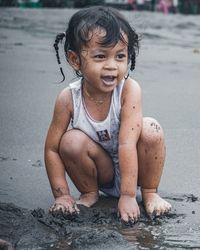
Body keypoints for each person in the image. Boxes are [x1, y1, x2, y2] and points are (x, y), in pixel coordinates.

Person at [44, 6, 171, 223]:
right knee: (70, 141)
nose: (112, 66)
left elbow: (127, 144)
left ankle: (150, 192)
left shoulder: (129, 90)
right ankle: (89, 193)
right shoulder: (68, 98)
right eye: (101, 56)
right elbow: (52, 149)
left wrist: (129, 196)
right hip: (100, 171)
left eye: (120, 56)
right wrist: (62, 195)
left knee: (151, 128)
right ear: (75, 60)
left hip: (135, 167)